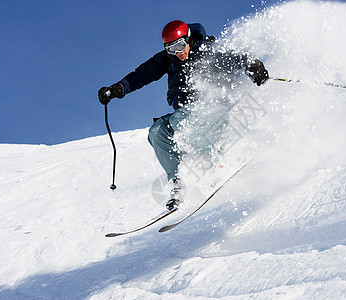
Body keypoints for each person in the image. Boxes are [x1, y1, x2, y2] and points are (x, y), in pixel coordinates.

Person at [98, 20, 269, 210]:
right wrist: (117, 89)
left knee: (181, 122)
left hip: (214, 109)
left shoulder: (207, 51)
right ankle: (179, 181)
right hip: (187, 113)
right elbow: (141, 75)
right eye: (171, 49)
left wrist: (252, 66)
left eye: (180, 46)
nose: (178, 53)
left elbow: (233, 59)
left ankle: (218, 161)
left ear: (188, 39)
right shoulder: (168, 60)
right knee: (157, 132)